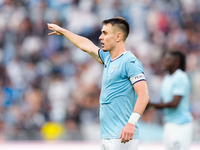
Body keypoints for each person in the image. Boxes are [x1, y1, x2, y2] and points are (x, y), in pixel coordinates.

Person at [47, 17, 149, 150]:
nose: (101, 37)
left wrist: (131, 123)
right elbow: (86, 45)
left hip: (122, 135)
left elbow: (144, 94)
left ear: (118, 36)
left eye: (105, 33)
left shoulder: (130, 62)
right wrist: (64, 31)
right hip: (107, 135)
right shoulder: (108, 58)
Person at [148, 51, 193, 150]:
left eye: (168, 60)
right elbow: (162, 103)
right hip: (169, 123)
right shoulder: (167, 79)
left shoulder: (180, 77)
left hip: (180, 125)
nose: (164, 62)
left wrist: (149, 104)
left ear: (176, 62)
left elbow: (174, 104)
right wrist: (148, 105)